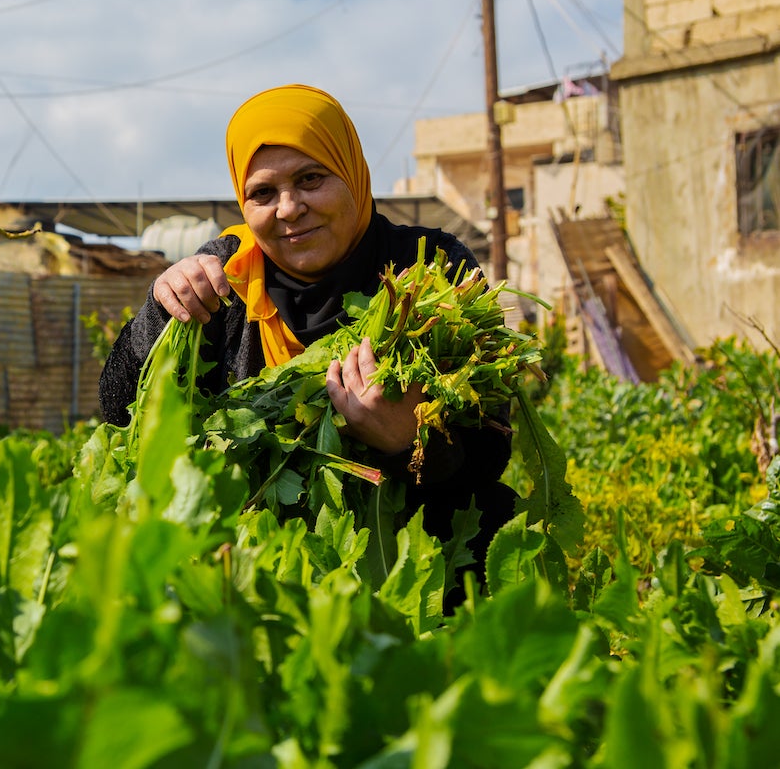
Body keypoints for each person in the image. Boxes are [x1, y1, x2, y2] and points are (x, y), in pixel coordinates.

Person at [98, 84, 515, 563]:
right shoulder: (226, 276)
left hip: (417, 565)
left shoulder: (432, 268)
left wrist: (411, 442)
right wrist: (159, 311)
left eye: (312, 178)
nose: (289, 208)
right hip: (257, 566)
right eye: (263, 193)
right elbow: (121, 414)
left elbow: (491, 453)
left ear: (352, 171)